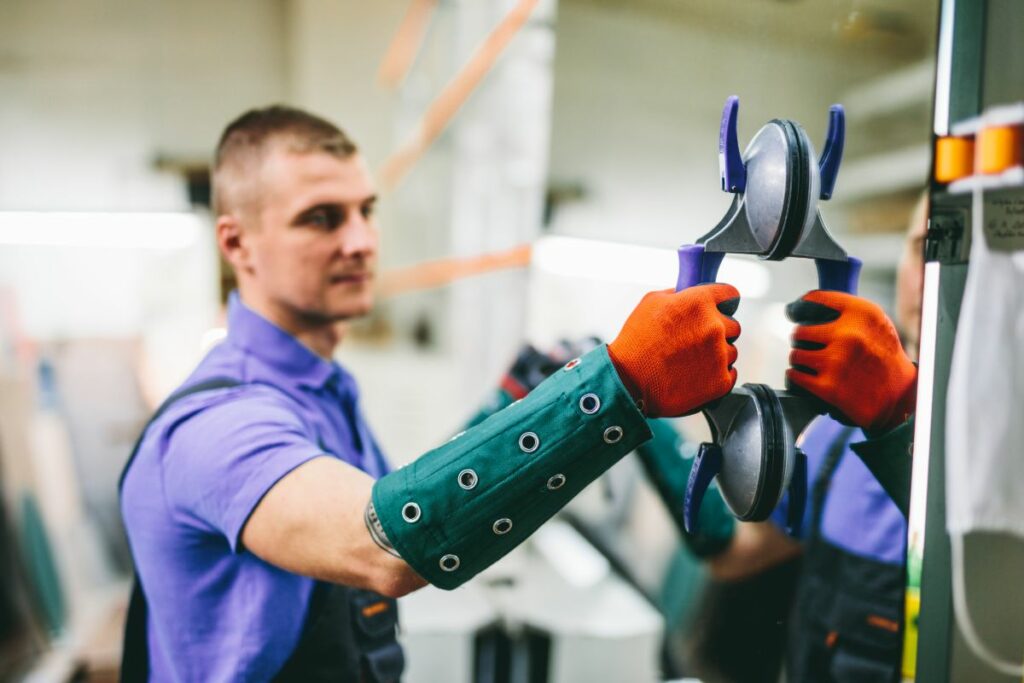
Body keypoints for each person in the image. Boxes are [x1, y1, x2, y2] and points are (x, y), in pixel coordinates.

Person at [118, 105, 744, 682]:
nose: (360, 240)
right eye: (321, 218)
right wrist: (623, 381)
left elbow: (388, 497)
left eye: (366, 210)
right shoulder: (218, 422)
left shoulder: (326, 396)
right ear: (235, 244)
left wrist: (513, 402)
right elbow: (386, 542)